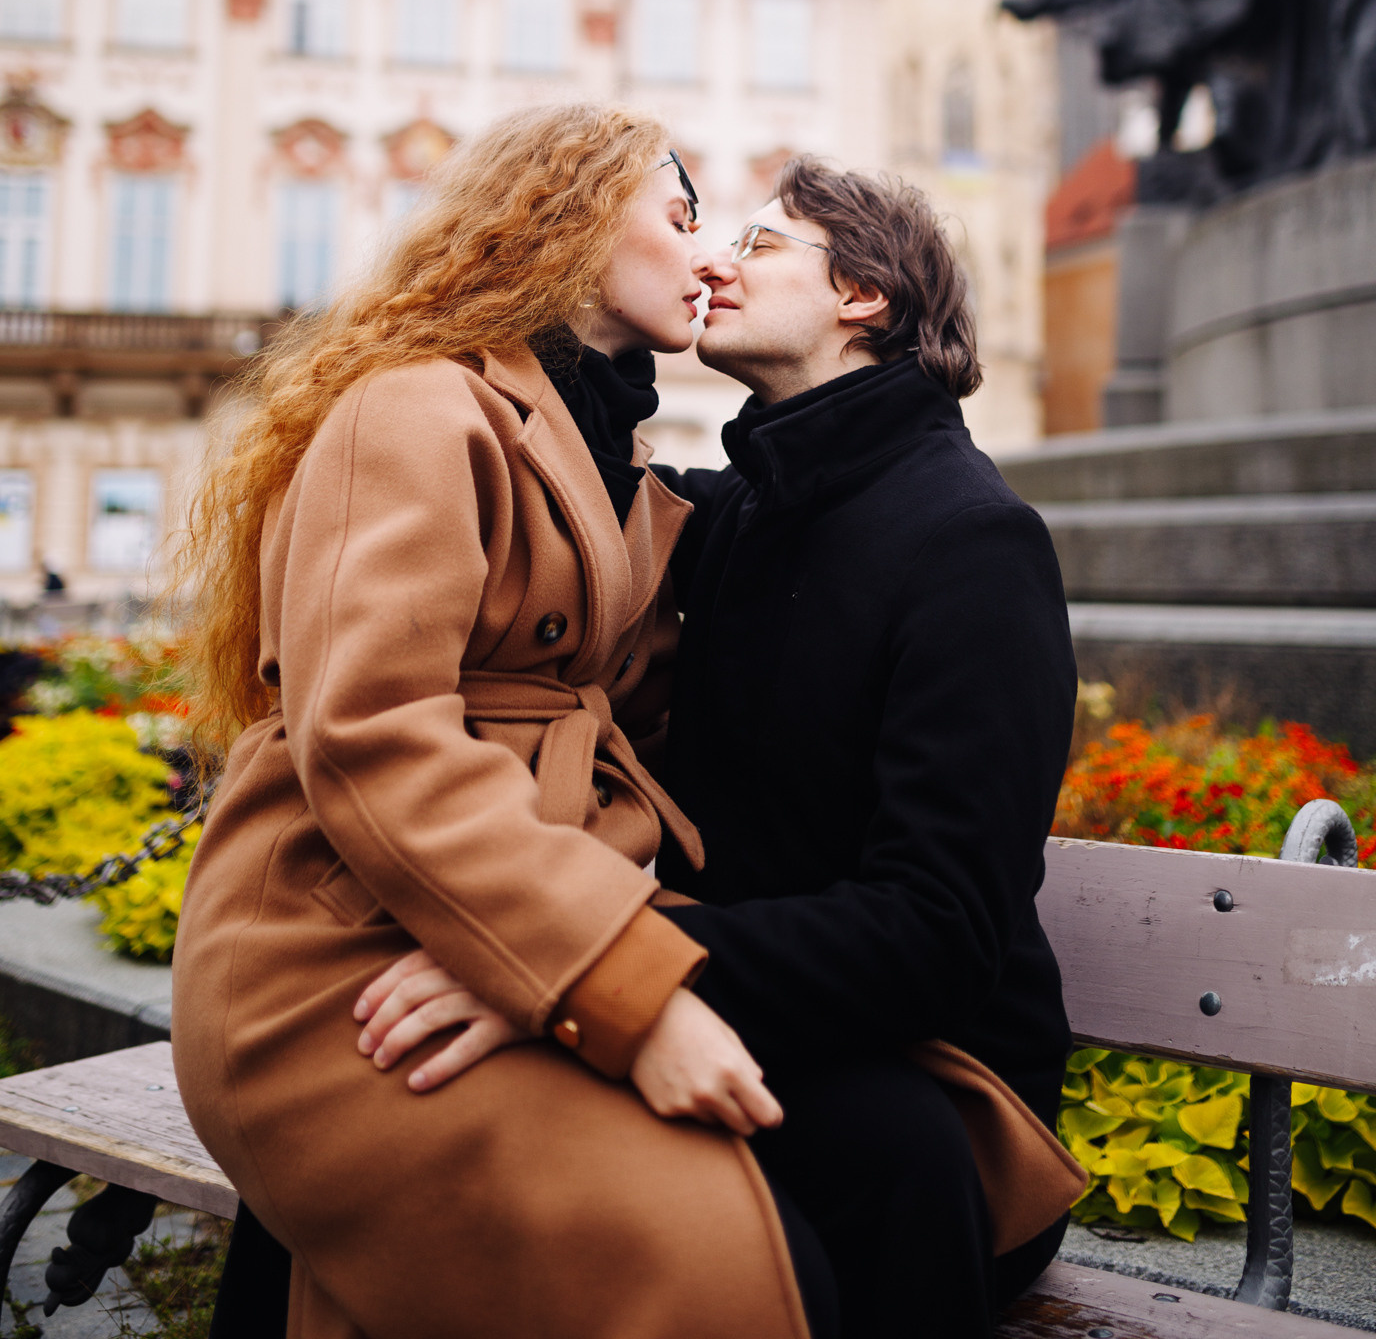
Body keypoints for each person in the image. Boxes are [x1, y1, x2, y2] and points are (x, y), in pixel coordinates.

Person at [350, 156, 1083, 1339]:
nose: (716, 264)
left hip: (939, 1094)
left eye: (759, 243)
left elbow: (936, 934)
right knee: (399, 1109)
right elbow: (561, 496)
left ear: (864, 297)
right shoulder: (750, 505)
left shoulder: (971, 541)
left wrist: (583, 968)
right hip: (729, 1016)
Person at [173, 105, 816, 1339]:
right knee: (687, 1246)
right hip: (332, 948)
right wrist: (621, 989)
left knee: (881, 1163)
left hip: (493, 922)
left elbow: (634, 734)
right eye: (682, 216)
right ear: (574, 221)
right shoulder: (418, 405)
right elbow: (373, 735)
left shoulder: (610, 451)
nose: (710, 256)